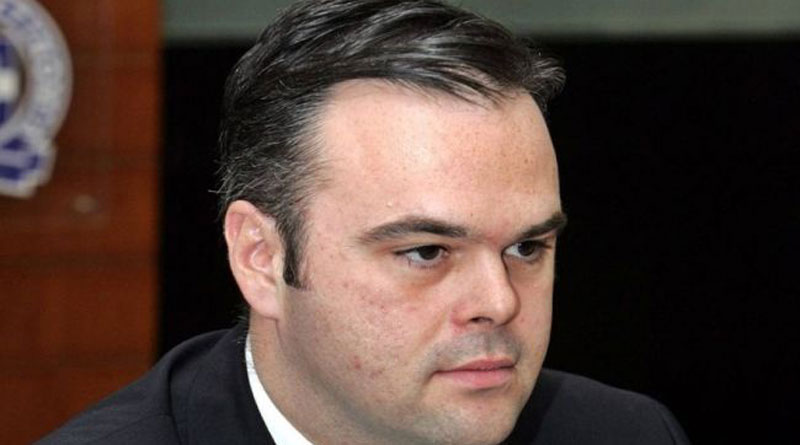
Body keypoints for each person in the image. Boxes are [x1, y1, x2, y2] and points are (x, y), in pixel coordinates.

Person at [39, 0, 690, 444]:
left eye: (526, 247)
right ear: (261, 257)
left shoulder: (620, 432)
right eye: (427, 251)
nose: (500, 302)